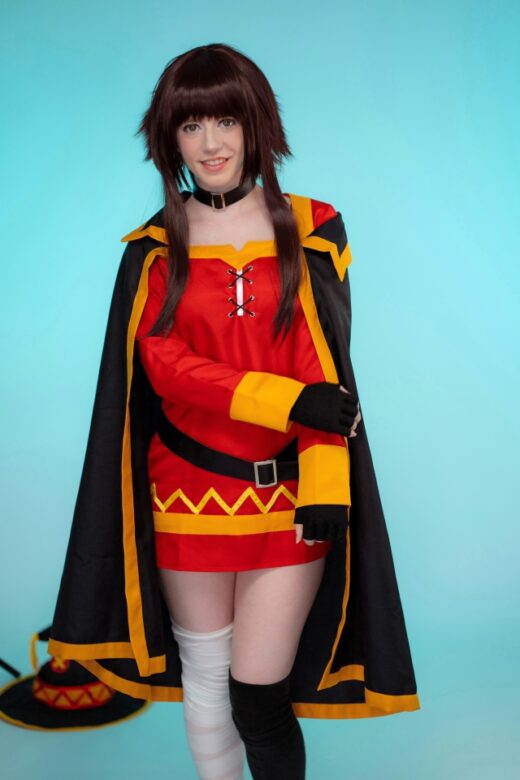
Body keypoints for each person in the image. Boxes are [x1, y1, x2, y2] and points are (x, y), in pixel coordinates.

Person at [48, 42, 420, 780]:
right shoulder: (154, 249)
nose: (210, 143)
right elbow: (162, 365)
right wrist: (288, 400)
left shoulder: (312, 229)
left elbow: (324, 369)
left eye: (226, 121)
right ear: (170, 138)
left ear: (257, 126)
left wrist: (326, 480)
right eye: (191, 126)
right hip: (186, 496)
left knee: (259, 695)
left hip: (288, 499)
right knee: (207, 686)